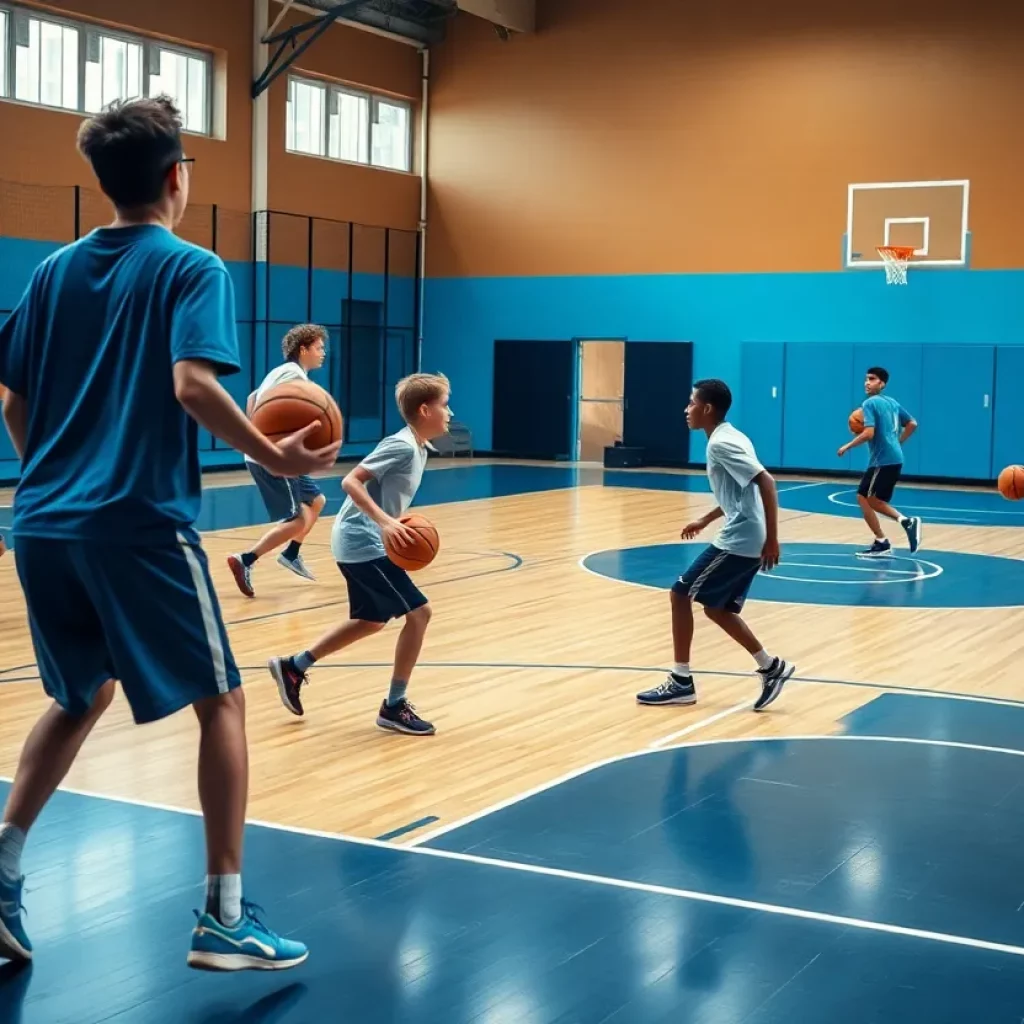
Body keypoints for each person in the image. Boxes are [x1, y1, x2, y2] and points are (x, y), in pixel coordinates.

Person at [0, 96, 340, 970]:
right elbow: (192, 385)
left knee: (82, 694)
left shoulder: (51, 273)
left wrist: (52, 476)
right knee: (221, 700)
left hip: (40, 522)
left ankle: (0, 872)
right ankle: (225, 916)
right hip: (136, 523)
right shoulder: (193, 268)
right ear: (176, 176)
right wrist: (274, 453)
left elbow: (12, 397)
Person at [267, 373, 452, 735]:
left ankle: (295, 666)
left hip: (362, 541)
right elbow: (350, 480)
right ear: (425, 409)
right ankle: (394, 705)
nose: (450, 413)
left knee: (371, 620)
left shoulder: (417, 446)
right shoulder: (399, 445)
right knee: (420, 614)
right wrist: (385, 522)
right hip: (362, 541)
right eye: (445, 405)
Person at [636, 378, 793, 713]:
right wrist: (705, 520)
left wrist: (773, 539)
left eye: (691, 403)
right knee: (715, 608)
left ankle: (681, 682)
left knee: (680, 593)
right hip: (747, 535)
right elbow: (741, 492)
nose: (686, 409)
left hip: (742, 538)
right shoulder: (732, 435)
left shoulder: (720, 444)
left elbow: (767, 481)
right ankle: (770, 667)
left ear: (707, 408)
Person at [226, 324, 330, 597]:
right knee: (296, 519)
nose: (323, 353)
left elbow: (252, 399)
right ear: (303, 349)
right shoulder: (292, 375)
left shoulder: (282, 372)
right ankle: (245, 559)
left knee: (317, 502)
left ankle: (292, 553)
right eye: (319, 348)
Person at [837, 366, 920, 557]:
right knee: (862, 497)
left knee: (874, 500)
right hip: (887, 459)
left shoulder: (869, 404)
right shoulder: (892, 403)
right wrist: (898, 442)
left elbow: (869, 433)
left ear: (882, 383)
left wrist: (847, 446)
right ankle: (881, 541)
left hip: (883, 460)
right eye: (866, 379)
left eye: (872, 379)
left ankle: (907, 522)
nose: (867, 382)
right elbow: (912, 423)